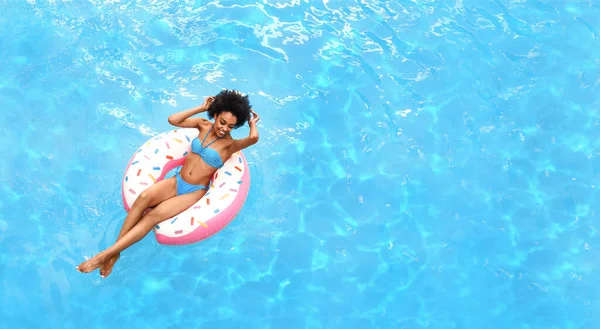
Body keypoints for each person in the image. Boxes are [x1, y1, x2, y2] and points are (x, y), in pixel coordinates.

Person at [76, 89, 260, 277]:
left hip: (194, 191)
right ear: (215, 114)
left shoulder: (230, 145)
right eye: (222, 122)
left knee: (152, 216)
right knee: (144, 197)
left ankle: (105, 255)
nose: (224, 128)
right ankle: (115, 255)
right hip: (178, 180)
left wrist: (252, 123)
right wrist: (201, 107)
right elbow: (173, 120)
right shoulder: (203, 125)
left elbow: (253, 138)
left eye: (231, 126)